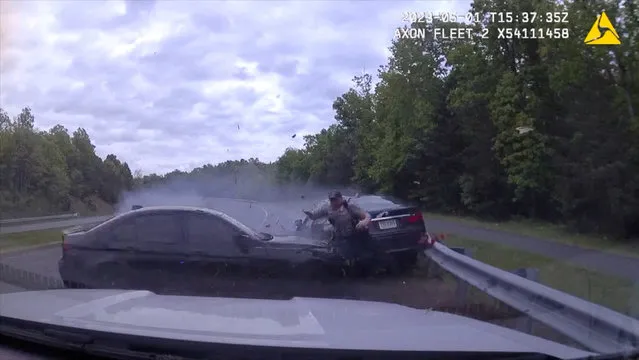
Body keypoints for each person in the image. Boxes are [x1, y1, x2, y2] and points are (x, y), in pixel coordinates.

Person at [303, 191, 389, 274]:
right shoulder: (327, 208)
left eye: (336, 199)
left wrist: (363, 222)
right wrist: (308, 213)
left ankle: (376, 270)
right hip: (341, 237)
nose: (334, 202)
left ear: (341, 198)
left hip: (355, 234)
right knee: (343, 257)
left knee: (368, 254)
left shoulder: (349, 206)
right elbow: (314, 215)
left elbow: (367, 216)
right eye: (332, 200)